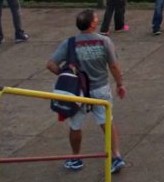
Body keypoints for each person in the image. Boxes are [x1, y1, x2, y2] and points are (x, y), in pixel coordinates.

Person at [46, 9, 127, 174]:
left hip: (77, 92)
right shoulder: (104, 41)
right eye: (96, 18)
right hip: (101, 88)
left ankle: (76, 158)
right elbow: (113, 66)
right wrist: (120, 84)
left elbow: (51, 64)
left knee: (75, 126)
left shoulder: (70, 43)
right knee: (107, 123)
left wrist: (66, 76)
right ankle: (116, 156)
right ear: (92, 24)